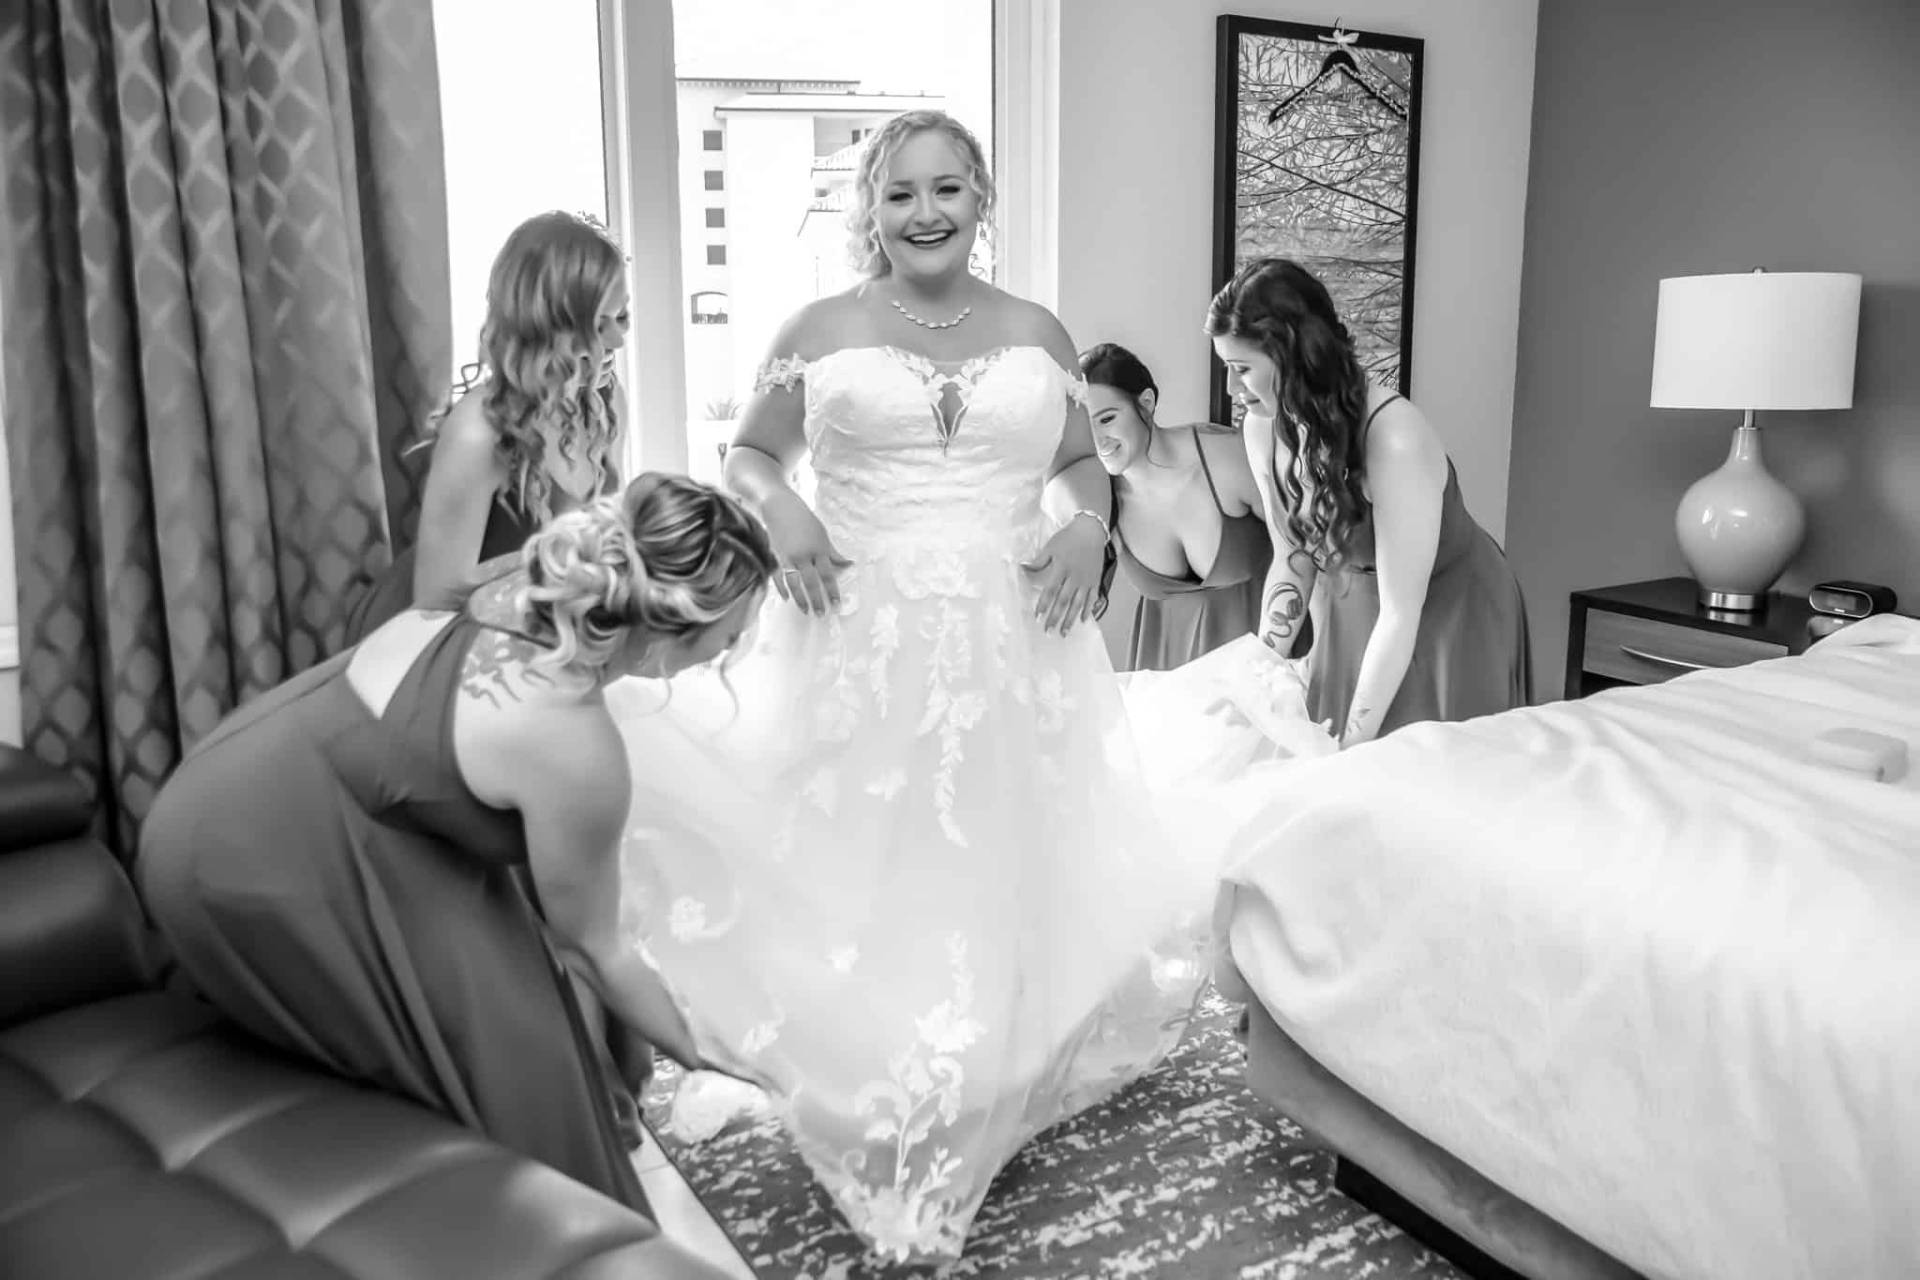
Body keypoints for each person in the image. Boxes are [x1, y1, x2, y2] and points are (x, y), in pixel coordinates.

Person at [605, 110, 1223, 1264]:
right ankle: (866, 1064)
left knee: (1000, 852)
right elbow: (749, 452)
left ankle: (994, 1053)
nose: (925, 212)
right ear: (871, 210)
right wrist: (778, 502)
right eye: (901, 194)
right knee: (866, 855)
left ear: (981, 197)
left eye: (947, 189)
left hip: (1014, 635)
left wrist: (1089, 524)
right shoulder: (820, 326)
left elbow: (1080, 457)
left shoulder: (1039, 330)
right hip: (859, 629)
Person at [137, 474, 776, 1215]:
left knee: (524, 1038)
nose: (734, 653)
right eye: (731, 638)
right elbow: (593, 950)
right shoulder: (571, 743)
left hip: (238, 774)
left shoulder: (522, 577)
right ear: (672, 631)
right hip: (254, 855)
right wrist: (727, 1058)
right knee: (517, 1086)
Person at [1205, 258, 1531, 747]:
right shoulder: (1260, 429)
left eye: (1241, 369)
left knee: (1414, 774)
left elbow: (1401, 613)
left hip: (1448, 611)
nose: (1232, 389)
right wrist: (1261, 676)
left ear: (1293, 357)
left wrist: (1355, 748)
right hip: (1353, 606)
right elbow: (1292, 561)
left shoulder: (1394, 437)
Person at [342, 210, 630, 645]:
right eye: (596, 325)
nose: (617, 342)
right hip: (446, 642)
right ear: (542, 325)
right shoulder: (480, 433)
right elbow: (436, 610)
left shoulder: (603, 401)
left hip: (544, 634)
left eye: (622, 317)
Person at [1080, 341, 1276, 671]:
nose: (1098, 440)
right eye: (1085, 426)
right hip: (1168, 690)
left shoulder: (1227, 459)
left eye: (1107, 418)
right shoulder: (1097, 498)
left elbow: (1306, 554)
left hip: (1263, 673)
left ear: (1146, 402)